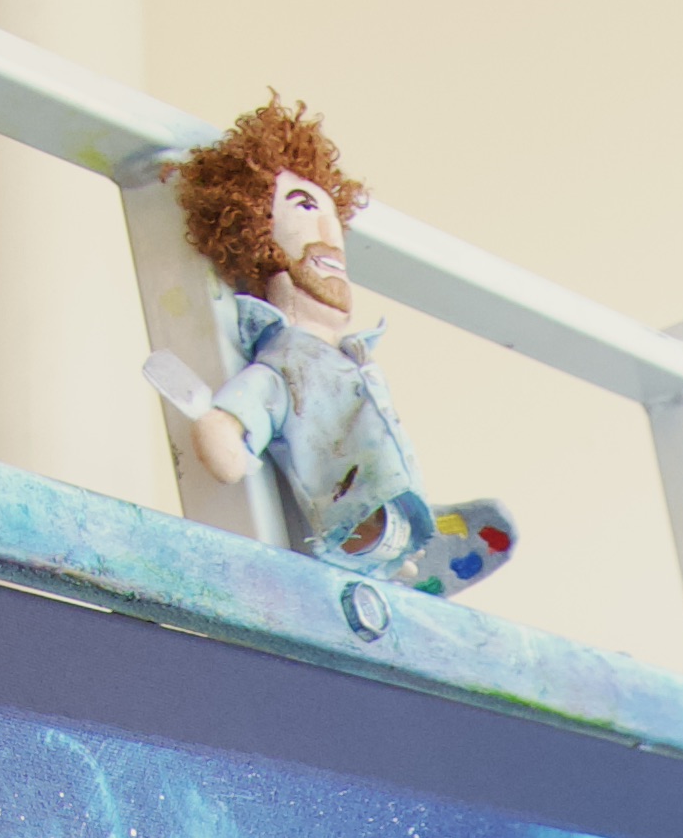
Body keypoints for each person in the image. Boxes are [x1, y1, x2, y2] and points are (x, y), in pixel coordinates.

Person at [143, 95, 516, 595]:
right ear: (261, 238)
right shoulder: (288, 360)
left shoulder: (349, 357)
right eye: (305, 212)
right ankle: (383, 559)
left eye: (333, 223)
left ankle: (405, 553)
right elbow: (251, 407)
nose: (328, 236)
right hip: (343, 517)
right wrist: (224, 425)